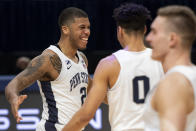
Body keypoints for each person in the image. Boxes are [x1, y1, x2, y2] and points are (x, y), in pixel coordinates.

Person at [62, 3, 164, 131]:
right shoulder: (163, 60)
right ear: (144, 29)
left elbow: (85, 115)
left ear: (120, 30)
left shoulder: (109, 64)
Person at [5, 7, 91, 131]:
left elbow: (92, 87)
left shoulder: (82, 59)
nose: (87, 31)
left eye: (88, 27)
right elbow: (13, 85)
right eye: (82, 27)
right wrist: (13, 96)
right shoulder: (49, 59)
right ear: (65, 29)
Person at [144, 5, 196, 131]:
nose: (148, 38)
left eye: (154, 32)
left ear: (172, 39)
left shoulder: (173, 82)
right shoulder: (192, 73)